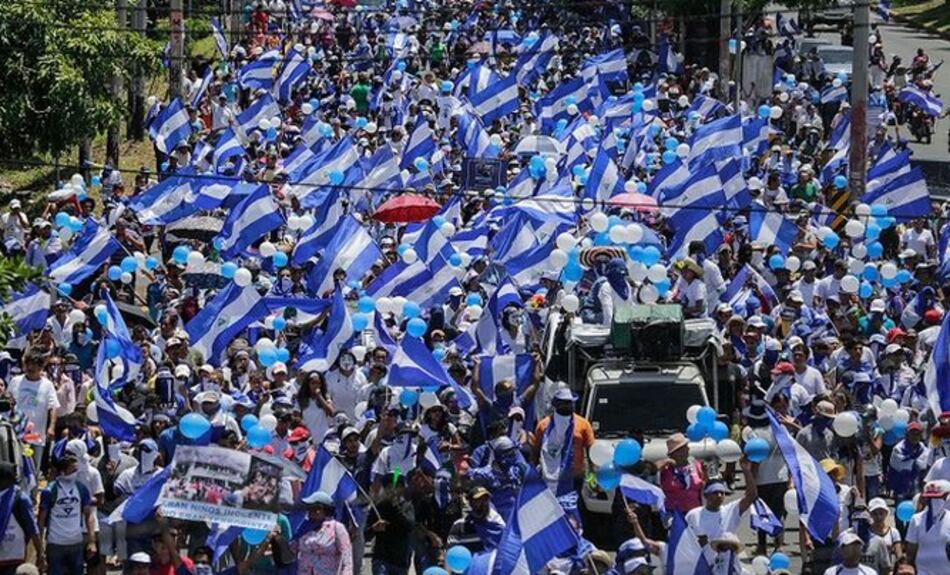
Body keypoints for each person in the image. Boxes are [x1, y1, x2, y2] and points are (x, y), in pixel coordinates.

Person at [38, 456, 97, 575]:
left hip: (76, 543)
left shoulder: (81, 489)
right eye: (73, 470)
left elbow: (89, 516)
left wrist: (92, 541)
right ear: (62, 472)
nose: (76, 473)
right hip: (55, 544)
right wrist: (40, 548)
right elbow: (41, 520)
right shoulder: (49, 491)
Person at [294, 491, 353, 575]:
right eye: (310, 508)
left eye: (316, 508)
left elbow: (346, 555)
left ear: (325, 510)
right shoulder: (303, 527)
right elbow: (292, 549)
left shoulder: (337, 528)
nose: (312, 512)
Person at [660, 433, 706, 514]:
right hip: (673, 513)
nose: (688, 449)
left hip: (695, 511)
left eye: (686, 447)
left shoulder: (696, 465)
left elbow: (704, 486)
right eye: (684, 448)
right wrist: (665, 462)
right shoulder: (666, 468)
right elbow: (652, 470)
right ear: (674, 453)